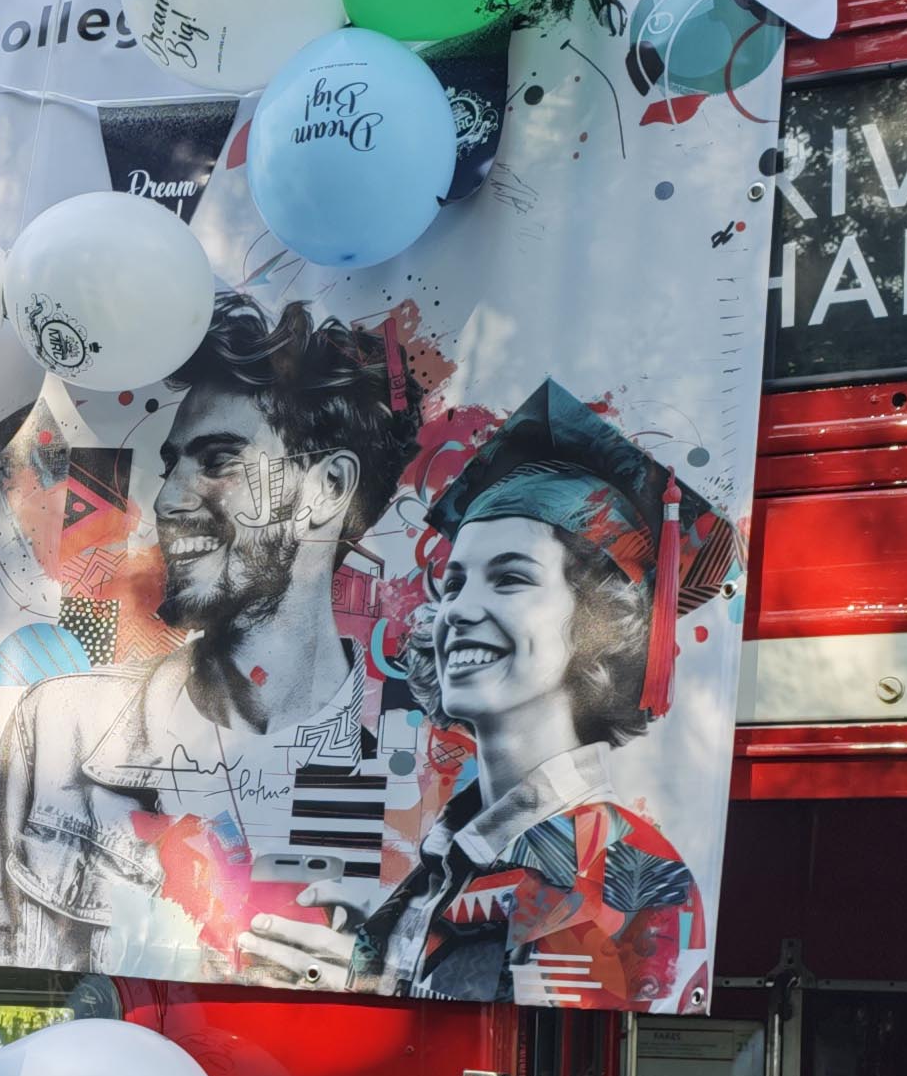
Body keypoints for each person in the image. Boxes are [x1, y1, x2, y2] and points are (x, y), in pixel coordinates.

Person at [0, 294, 415, 973]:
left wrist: (377, 980)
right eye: (173, 463)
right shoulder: (62, 729)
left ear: (327, 487)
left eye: (219, 461)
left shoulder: (429, 772)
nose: (168, 500)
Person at [245, 381, 734, 1007]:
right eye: (452, 585)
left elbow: (537, 1058)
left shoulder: (621, 871)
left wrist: (375, 982)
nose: (458, 612)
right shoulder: (457, 851)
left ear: (602, 624)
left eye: (509, 579)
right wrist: (372, 954)